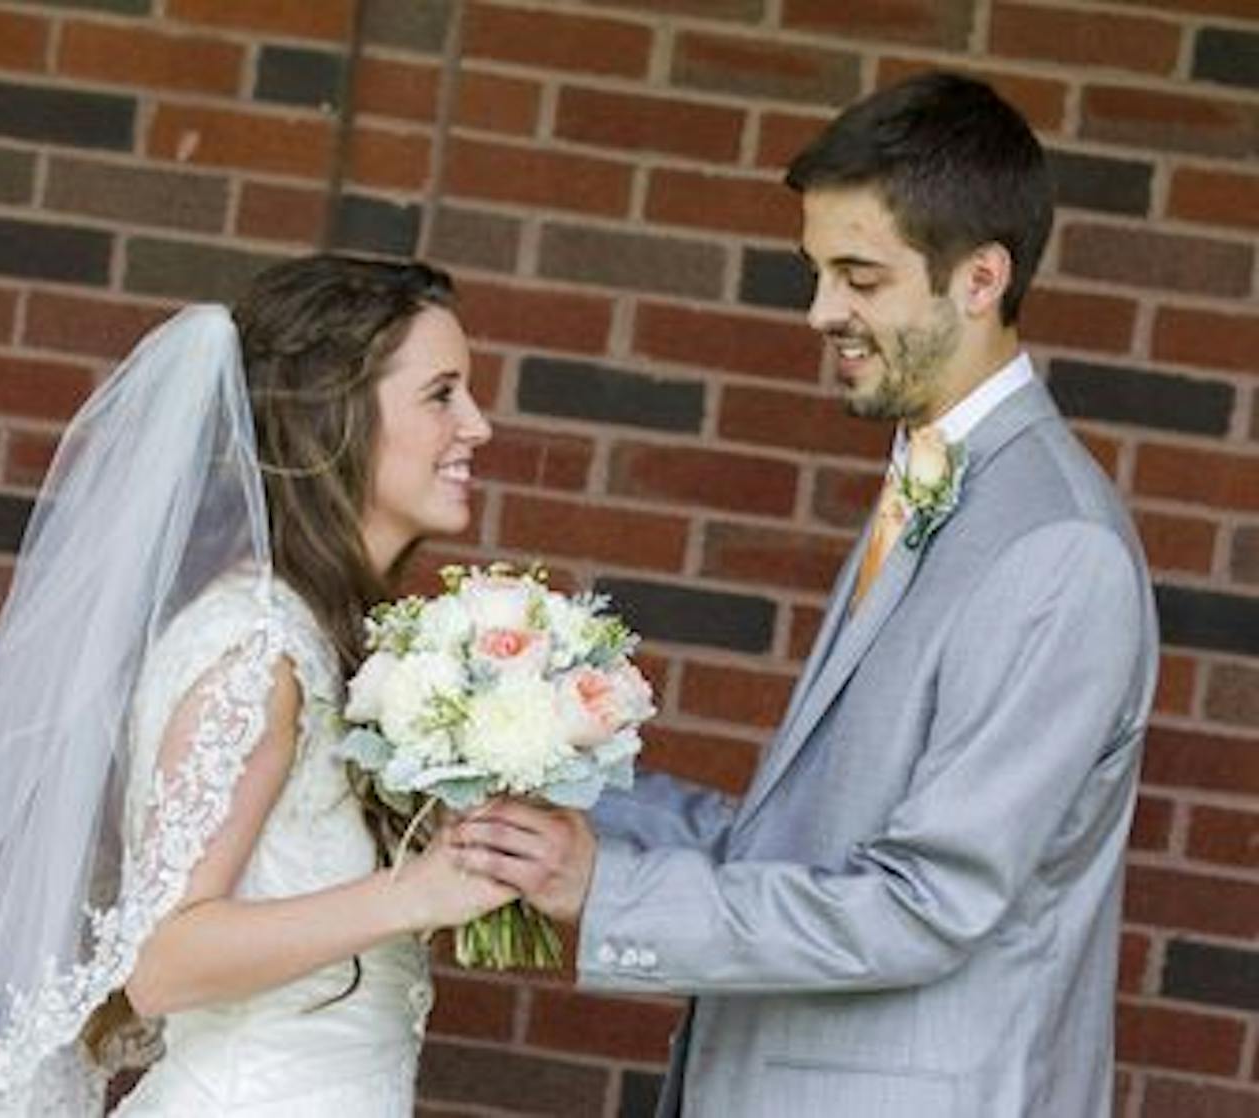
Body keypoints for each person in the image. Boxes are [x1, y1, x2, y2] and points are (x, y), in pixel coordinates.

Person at [455, 72, 1159, 1117]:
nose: (820, 309)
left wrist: (609, 889)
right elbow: (807, 843)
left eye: (858, 276)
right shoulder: (931, 479)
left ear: (978, 279)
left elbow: (925, 903)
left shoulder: (1056, 547)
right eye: (816, 270)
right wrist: (552, 775)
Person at [0, 254, 511, 1115]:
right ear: (338, 417)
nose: (477, 425)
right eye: (443, 394)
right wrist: (415, 892)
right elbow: (163, 958)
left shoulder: (331, 639)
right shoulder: (259, 648)